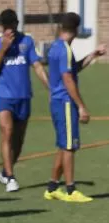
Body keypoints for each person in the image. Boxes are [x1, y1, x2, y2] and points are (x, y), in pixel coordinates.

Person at [43, 13, 106, 203]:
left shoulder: (56, 47)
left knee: (64, 145)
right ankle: (71, 190)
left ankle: (52, 187)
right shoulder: (64, 50)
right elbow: (68, 79)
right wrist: (81, 107)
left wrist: (93, 54)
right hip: (65, 102)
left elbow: (73, 69)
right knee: (70, 146)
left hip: (56, 101)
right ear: (77, 30)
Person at [0, 8, 48, 192]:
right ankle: (11, 177)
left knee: (19, 140)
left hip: (23, 96)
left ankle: (5, 172)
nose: (10, 29)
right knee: (7, 132)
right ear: (2, 26)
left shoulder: (27, 41)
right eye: (6, 25)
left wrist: (49, 86)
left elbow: (36, 65)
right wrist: (3, 49)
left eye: (13, 24)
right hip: (3, 95)